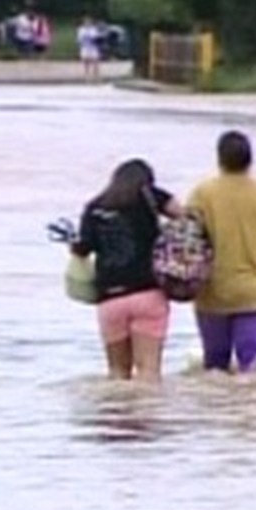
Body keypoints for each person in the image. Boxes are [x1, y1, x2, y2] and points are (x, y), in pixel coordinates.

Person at [187, 131, 256, 374]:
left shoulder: (202, 194)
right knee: (253, 365)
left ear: (220, 159)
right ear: (250, 159)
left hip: (212, 292)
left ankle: (221, 411)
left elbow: (187, 240)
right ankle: (249, 411)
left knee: (214, 367)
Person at [71, 159, 185, 382]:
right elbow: (184, 215)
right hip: (147, 293)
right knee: (148, 370)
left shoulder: (94, 208)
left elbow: (82, 249)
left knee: (117, 373)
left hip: (109, 299)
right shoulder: (150, 196)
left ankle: (115, 414)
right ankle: (148, 415)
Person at [76, 16, 103, 81]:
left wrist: (94, 40)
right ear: (84, 23)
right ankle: (87, 75)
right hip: (85, 47)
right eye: (86, 22)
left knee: (96, 60)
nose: (87, 23)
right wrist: (81, 43)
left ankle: (96, 75)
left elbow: (97, 37)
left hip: (93, 47)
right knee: (86, 61)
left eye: (89, 22)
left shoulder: (94, 29)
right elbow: (79, 39)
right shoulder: (81, 30)